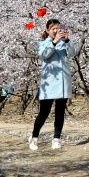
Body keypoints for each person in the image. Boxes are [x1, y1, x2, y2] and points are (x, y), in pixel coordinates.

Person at [31, 19, 71, 150]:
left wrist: (66, 41)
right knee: (44, 113)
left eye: (58, 28)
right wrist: (53, 43)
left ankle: (56, 139)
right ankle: (34, 138)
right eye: (53, 28)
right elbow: (44, 55)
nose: (56, 31)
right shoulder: (44, 43)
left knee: (60, 113)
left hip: (63, 83)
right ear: (48, 30)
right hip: (49, 84)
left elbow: (73, 53)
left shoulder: (64, 44)